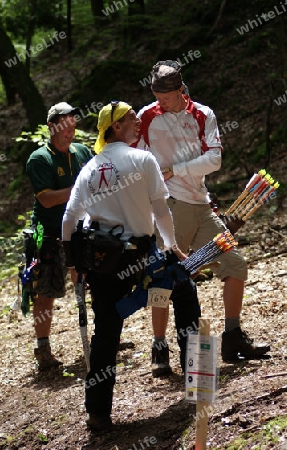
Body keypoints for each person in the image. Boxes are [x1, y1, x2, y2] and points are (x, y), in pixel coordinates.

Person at [62, 101, 201, 431]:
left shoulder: (90, 168)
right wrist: (172, 247)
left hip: (102, 262)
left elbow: (70, 218)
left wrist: (73, 263)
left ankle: (97, 413)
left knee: (106, 332)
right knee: (184, 292)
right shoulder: (142, 159)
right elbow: (161, 210)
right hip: (142, 258)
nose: (138, 123)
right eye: (130, 120)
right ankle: (196, 382)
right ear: (114, 127)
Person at [134, 60, 270, 375]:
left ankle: (233, 336)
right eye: (157, 96)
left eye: (166, 97)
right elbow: (135, 156)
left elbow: (215, 158)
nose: (161, 102)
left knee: (234, 262)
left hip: (201, 204)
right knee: (165, 277)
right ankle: (159, 348)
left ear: (180, 90)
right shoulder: (146, 116)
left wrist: (176, 169)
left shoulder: (203, 114)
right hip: (169, 206)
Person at [26, 102, 93, 371]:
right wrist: (79, 188)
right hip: (49, 235)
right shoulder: (39, 158)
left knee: (90, 281)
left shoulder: (83, 152)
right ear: (52, 127)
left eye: (74, 122)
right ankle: (43, 349)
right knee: (45, 293)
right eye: (65, 124)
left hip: (81, 230)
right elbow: (46, 199)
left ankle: (102, 337)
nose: (71, 128)